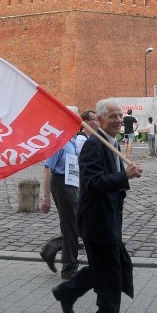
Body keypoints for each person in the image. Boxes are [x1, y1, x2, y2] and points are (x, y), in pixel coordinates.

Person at [51, 99, 142, 313]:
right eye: (113, 116)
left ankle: (67, 292)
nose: (119, 120)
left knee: (106, 266)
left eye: (120, 115)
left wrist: (123, 178)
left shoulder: (110, 143)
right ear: (99, 119)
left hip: (108, 219)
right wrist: (125, 176)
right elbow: (92, 184)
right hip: (97, 222)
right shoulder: (94, 146)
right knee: (111, 270)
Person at [39, 107, 94, 279]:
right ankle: (69, 268)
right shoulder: (60, 142)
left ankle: (52, 248)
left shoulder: (72, 140)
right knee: (71, 226)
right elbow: (47, 169)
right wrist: (46, 196)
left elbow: (74, 167)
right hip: (61, 184)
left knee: (76, 224)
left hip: (71, 184)